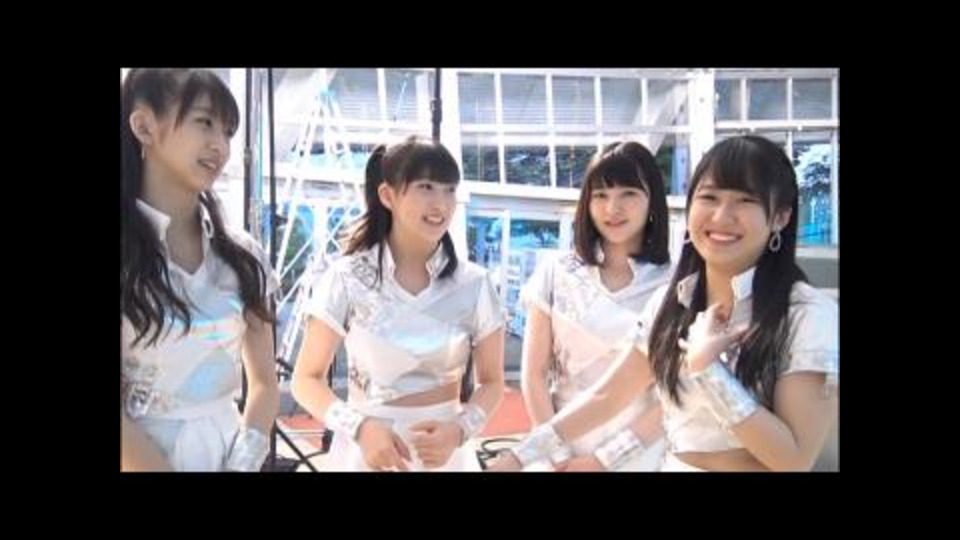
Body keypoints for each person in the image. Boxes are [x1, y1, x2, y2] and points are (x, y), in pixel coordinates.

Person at [490, 135, 838, 472]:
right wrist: (519, 457)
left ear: (780, 217)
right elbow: (605, 397)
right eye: (709, 197)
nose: (721, 216)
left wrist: (708, 371)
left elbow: (794, 460)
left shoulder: (807, 315)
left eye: (745, 200)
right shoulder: (671, 303)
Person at [292, 135, 505, 471]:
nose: (441, 204)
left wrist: (460, 430)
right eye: (425, 187)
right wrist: (359, 427)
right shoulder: (347, 277)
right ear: (387, 195)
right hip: (366, 454)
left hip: (446, 455)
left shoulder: (475, 284)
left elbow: (492, 382)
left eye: (449, 190)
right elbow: (306, 379)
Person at [121, 69, 280, 472]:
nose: (220, 146)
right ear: (144, 126)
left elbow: (264, 383)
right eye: (204, 122)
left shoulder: (243, 257)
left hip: (228, 454)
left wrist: (243, 462)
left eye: (228, 131)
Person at [517, 141, 672, 471]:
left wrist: (605, 460)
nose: (612, 208)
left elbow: (672, 396)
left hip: (640, 453)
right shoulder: (556, 272)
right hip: (559, 448)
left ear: (653, 201)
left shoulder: (676, 284)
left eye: (628, 193)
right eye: (600, 195)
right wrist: (557, 456)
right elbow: (534, 375)